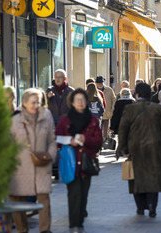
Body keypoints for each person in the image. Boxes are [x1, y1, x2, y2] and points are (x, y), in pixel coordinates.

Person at [117, 83, 161, 218]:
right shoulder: (158, 109)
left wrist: (122, 147)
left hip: (135, 148)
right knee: (153, 178)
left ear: (137, 93)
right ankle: (152, 206)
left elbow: (123, 129)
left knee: (136, 178)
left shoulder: (130, 109)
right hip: (155, 148)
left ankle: (140, 207)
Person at [10, 88, 57, 233]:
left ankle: (45, 230)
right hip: (20, 167)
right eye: (33, 102)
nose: (36, 105)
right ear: (24, 103)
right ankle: (22, 229)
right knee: (18, 202)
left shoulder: (46, 116)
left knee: (44, 200)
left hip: (41, 165)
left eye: (38, 102)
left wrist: (50, 157)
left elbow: (52, 140)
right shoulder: (14, 121)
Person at [55, 89, 102, 233]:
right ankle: (74, 224)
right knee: (74, 192)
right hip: (71, 161)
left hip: (87, 161)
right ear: (72, 102)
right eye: (77, 100)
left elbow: (98, 141)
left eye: (83, 99)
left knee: (83, 193)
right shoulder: (65, 119)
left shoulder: (93, 120)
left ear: (86, 102)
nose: (80, 102)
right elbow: (57, 138)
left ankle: (80, 220)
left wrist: (85, 140)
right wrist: (71, 141)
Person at [95, 76, 116, 142]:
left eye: (101, 82)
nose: (100, 84)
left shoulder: (109, 89)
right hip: (98, 113)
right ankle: (100, 140)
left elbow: (114, 99)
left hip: (107, 112)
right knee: (99, 128)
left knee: (105, 128)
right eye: (98, 83)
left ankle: (104, 140)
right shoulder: (95, 90)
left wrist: (112, 109)